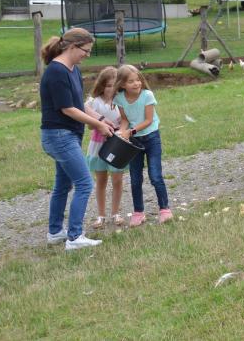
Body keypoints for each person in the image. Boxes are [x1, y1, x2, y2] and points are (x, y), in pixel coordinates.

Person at [40, 28, 113, 251]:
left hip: (68, 135)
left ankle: (55, 232)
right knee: (84, 183)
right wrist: (98, 125)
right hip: (59, 136)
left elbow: (80, 105)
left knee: (63, 184)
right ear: (72, 47)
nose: (87, 55)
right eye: (85, 50)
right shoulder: (56, 72)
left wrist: (102, 118)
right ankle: (74, 237)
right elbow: (67, 109)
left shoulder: (73, 70)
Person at [115, 64, 171, 226]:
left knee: (155, 176)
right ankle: (138, 212)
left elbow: (148, 121)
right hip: (134, 143)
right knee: (135, 178)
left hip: (152, 138)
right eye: (131, 81)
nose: (136, 83)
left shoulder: (147, 95)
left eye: (138, 79)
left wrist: (130, 132)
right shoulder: (119, 98)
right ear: (122, 84)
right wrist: (121, 133)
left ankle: (165, 209)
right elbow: (125, 119)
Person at [84, 66, 126, 229]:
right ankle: (101, 215)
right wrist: (99, 124)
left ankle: (116, 213)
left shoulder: (122, 102)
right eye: (108, 86)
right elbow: (88, 125)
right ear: (102, 85)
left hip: (117, 145)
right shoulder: (93, 103)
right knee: (101, 180)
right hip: (98, 145)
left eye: (114, 86)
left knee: (117, 179)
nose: (111, 89)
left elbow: (126, 120)